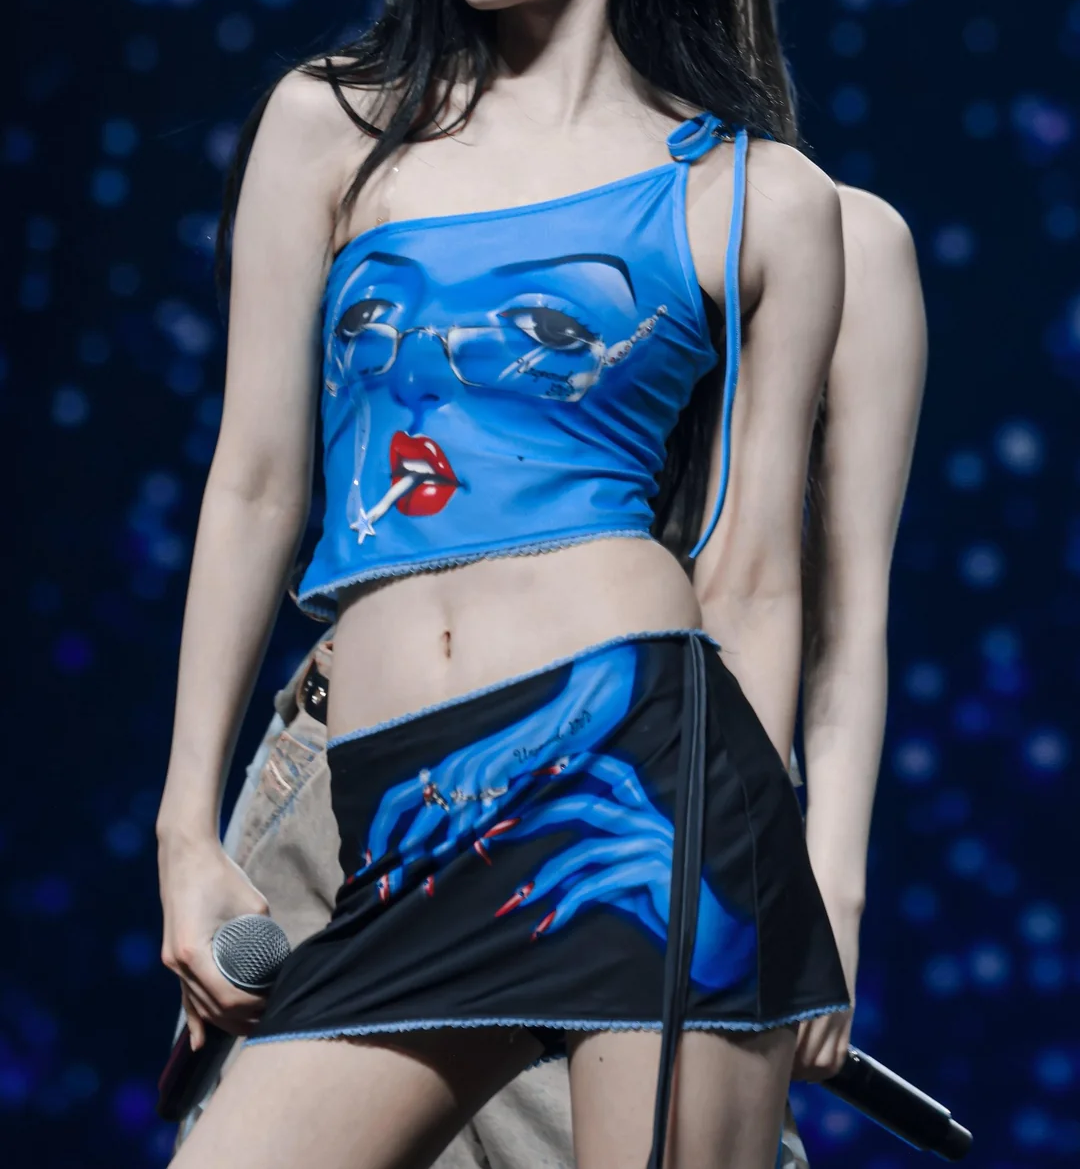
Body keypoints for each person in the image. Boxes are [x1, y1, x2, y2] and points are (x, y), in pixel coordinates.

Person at [155, 0, 922, 1169]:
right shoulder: (336, 127)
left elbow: (761, 582)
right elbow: (252, 484)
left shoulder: (758, 199)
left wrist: (794, 892)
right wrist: (185, 828)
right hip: (396, 811)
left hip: (639, 789)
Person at [167, 180, 927, 1168]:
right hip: (350, 779)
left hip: (622, 822)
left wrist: (827, 900)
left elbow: (840, 619)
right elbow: (263, 479)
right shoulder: (410, 171)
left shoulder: (823, 228)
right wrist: (186, 833)